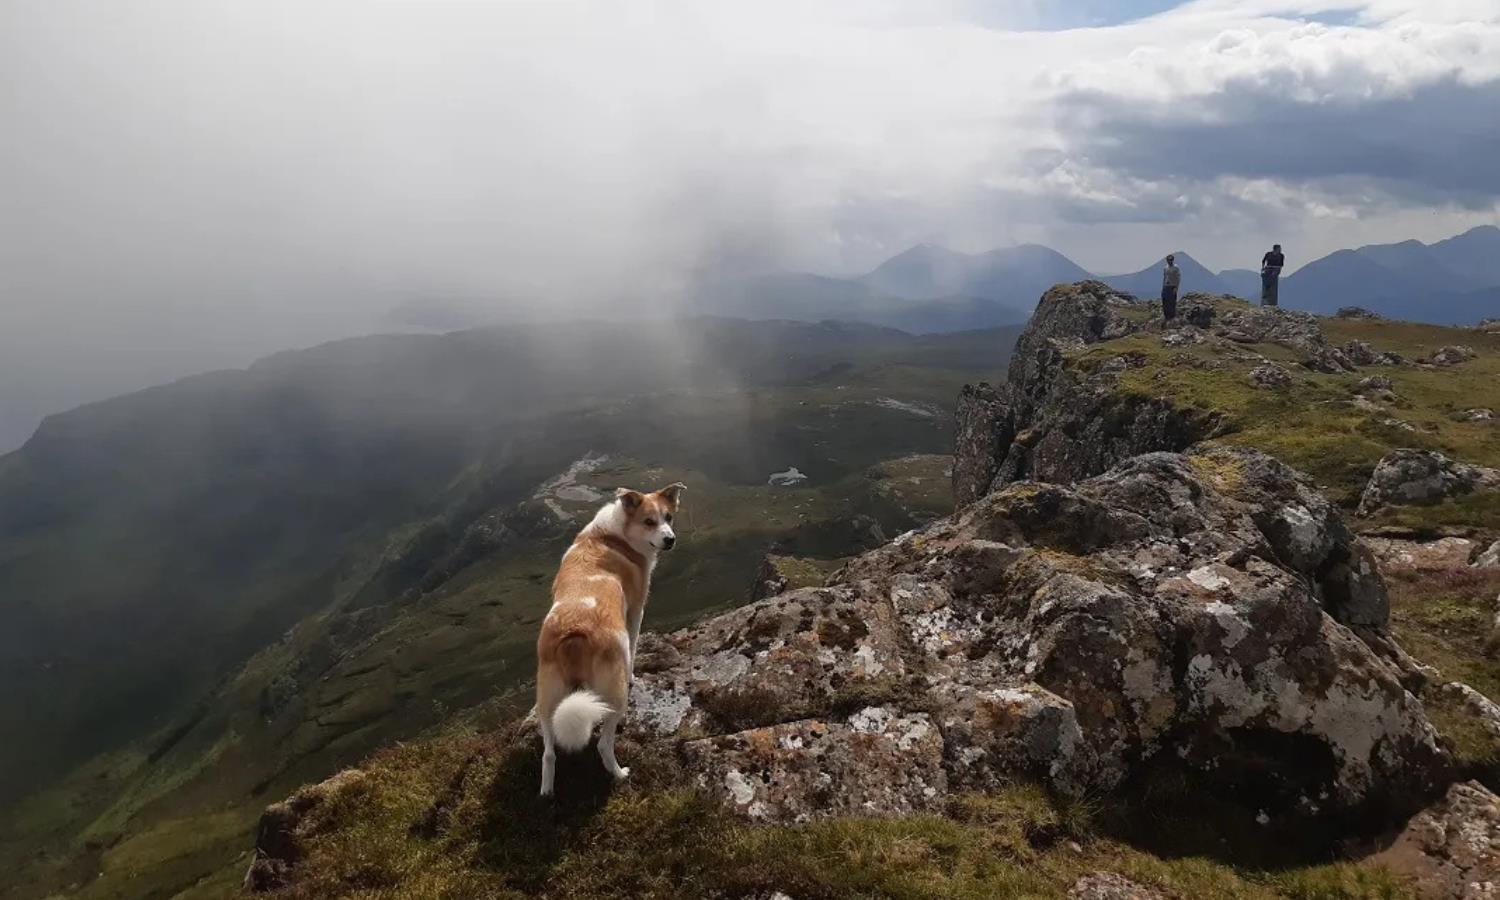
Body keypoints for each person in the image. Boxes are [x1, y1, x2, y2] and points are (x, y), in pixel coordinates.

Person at [1161, 253, 1181, 321]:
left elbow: (1178, 278)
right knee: (1165, 301)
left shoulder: (1176, 267)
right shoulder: (1165, 268)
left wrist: (1176, 287)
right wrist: (1163, 286)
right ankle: (1166, 316)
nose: (1170, 261)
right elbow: (1164, 277)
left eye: (1171, 260)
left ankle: (1172, 316)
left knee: (1172, 302)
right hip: (1166, 286)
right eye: (1168, 260)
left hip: (1172, 286)